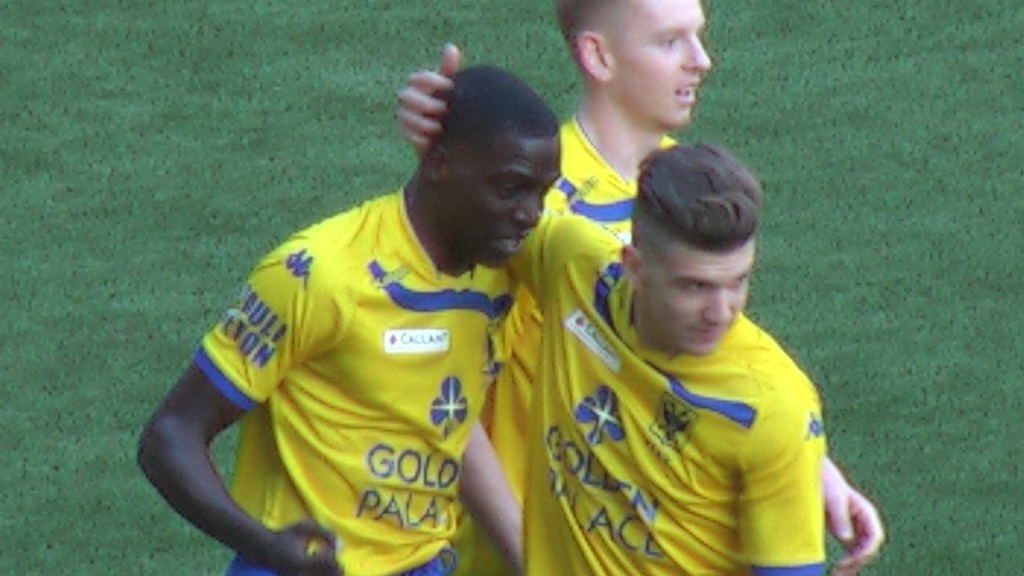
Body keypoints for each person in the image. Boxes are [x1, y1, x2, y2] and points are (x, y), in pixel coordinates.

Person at [396, 0, 884, 574]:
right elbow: (452, 397)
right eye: (670, 41)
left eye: (698, 35)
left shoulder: (684, 192)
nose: (702, 60)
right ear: (599, 56)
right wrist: (527, 555)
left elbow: (711, 366)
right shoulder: (530, 205)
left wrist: (804, 460)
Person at [136, 65, 561, 576]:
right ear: (438, 164)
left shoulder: (504, 270)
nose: (531, 214)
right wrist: (265, 546)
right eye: (511, 189)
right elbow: (171, 436)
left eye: (542, 193)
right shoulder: (319, 275)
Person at [508, 142, 829, 574]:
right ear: (634, 267)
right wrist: (434, 128)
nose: (721, 312)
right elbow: (475, 206)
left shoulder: (771, 407)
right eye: (694, 287)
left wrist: (812, 462)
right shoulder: (573, 268)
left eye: (738, 282)